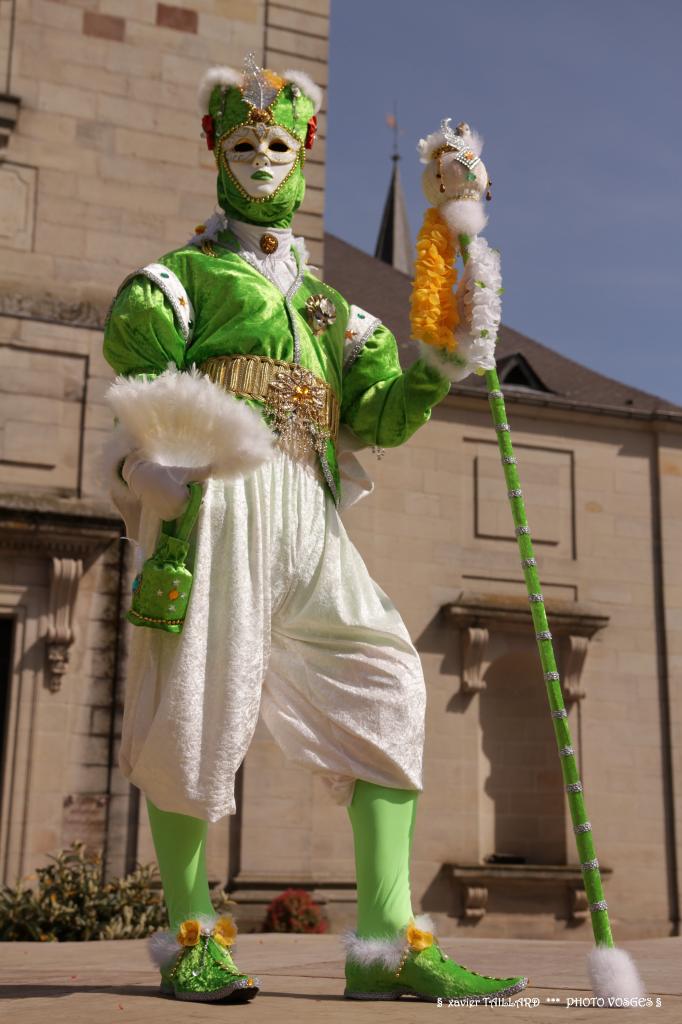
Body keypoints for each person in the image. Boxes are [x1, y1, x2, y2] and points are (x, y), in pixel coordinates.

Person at [103, 55, 527, 1004]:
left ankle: (386, 947)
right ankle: (191, 933)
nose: (262, 157)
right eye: (245, 141)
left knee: (386, 682)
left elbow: (374, 414)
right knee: (198, 712)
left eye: (279, 143)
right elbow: (139, 360)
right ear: (218, 151)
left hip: (310, 503)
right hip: (223, 496)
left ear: (302, 159)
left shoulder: (334, 311)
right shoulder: (180, 277)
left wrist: (439, 357)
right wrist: (155, 466)